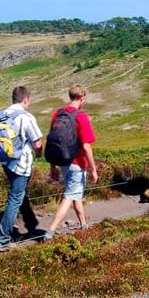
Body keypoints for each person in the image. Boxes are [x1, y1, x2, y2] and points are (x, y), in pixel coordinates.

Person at [0, 86, 43, 252]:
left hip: (5, 163)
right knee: (14, 200)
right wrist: (39, 154)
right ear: (25, 100)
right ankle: (2, 240)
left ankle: (24, 224)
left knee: (18, 195)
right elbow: (37, 143)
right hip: (21, 166)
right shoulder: (26, 117)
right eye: (29, 101)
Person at [43, 84, 98, 241]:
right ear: (82, 98)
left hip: (62, 161)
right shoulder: (81, 116)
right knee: (69, 196)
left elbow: (52, 140)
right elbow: (87, 146)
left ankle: (83, 224)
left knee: (75, 194)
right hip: (77, 162)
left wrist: (52, 166)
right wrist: (93, 169)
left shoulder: (57, 114)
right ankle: (51, 231)